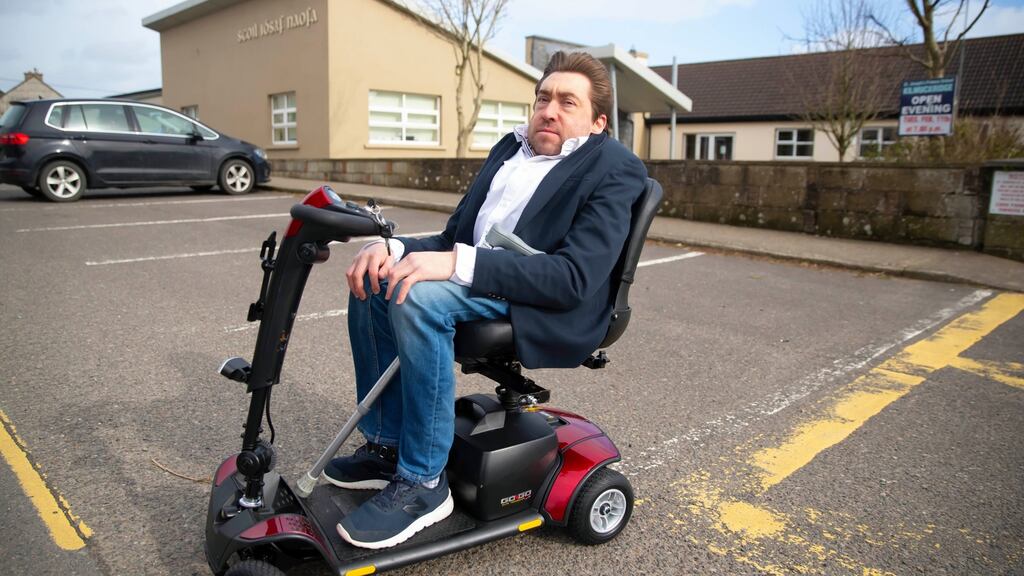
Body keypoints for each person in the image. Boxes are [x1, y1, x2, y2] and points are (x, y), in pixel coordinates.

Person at [326, 51, 647, 550]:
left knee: (419, 298)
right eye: (544, 98)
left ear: (597, 121)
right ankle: (388, 446)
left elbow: (573, 278)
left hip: (545, 302)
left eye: (568, 102)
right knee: (377, 282)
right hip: (487, 281)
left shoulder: (614, 167)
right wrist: (393, 247)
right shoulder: (510, 149)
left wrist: (456, 264)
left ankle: (424, 485)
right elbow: (457, 236)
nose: (550, 110)